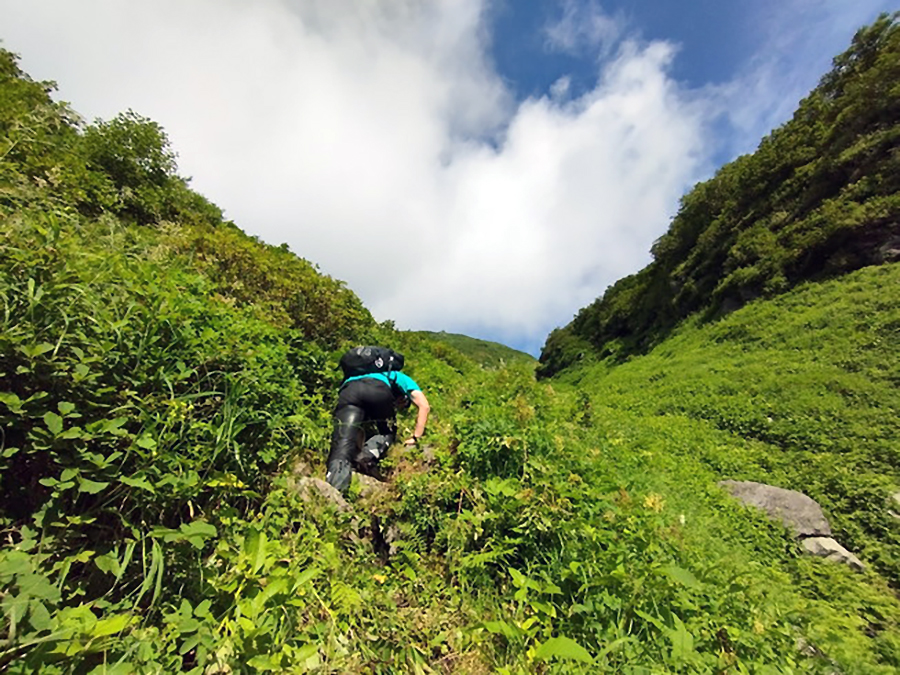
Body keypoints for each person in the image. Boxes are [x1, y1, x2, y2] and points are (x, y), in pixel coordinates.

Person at [325, 367, 430, 493]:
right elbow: (424, 406)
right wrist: (416, 437)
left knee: (344, 438)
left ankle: (336, 483)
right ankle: (365, 458)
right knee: (387, 431)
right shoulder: (400, 377)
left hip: (348, 389)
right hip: (376, 390)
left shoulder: (361, 372)